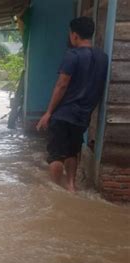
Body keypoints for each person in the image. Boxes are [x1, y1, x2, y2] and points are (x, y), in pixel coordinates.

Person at [36, 16, 109, 192]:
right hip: (83, 116)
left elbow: (62, 85)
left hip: (63, 114)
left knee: (56, 156)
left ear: (74, 35)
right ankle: (71, 186)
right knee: (72, 151)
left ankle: (56, 191)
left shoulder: (73, 55)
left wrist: (48, 113)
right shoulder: (103, 57)